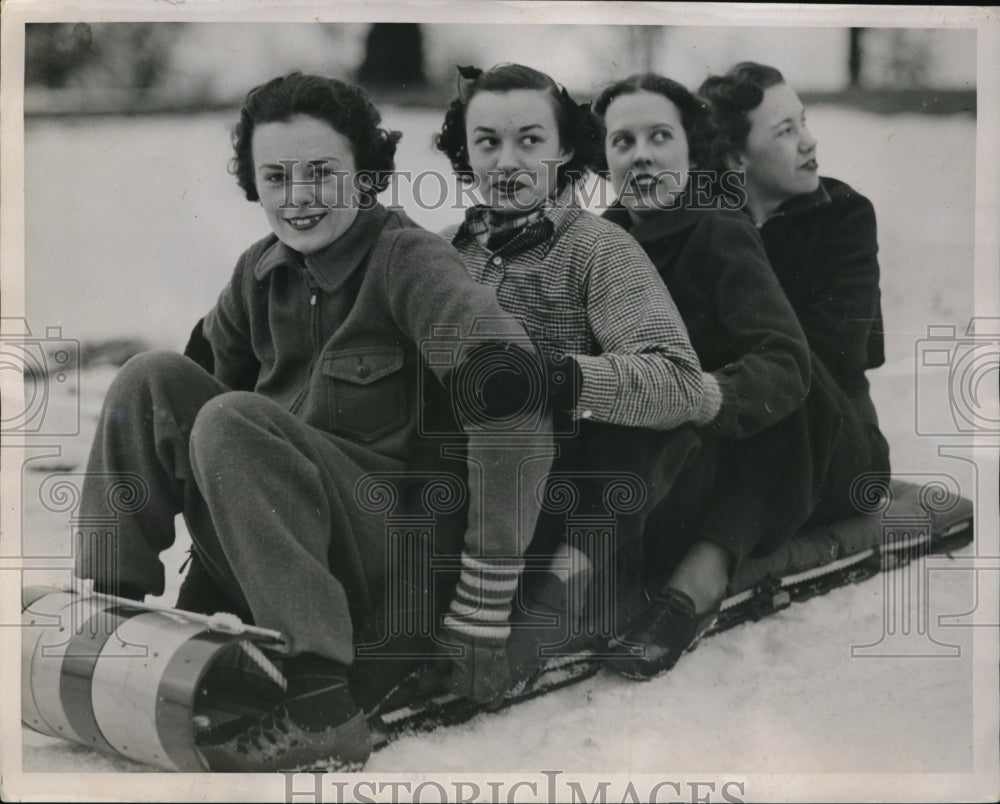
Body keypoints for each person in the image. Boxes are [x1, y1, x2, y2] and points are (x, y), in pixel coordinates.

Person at [73, 72, 556, 772]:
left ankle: (321, 697)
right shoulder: (260, 271)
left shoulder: (408, 260)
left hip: (384, 551)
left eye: (322, 173)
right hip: (284, 546)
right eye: (277, 177)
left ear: (365, 175)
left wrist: (486, 596)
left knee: (235, 419)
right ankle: (110, 615)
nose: (298, 199)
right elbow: (184, 413)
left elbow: (514, 397)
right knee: (148, 377)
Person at [433, 64, 705, 674]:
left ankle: (561, 593)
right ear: (465, 152)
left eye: (530, 141)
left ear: (565, 150)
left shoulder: (598, 249)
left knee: (628, 429)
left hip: (570, 497)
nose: (507, 162)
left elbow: (681, 383)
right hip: (468, 492)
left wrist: (557, 378)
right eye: (487, 143)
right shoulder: (444, 251)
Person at [594, 73, 835, 679]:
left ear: (691, 150)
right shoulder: (600, 239)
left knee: (769, 388)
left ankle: (697, 581)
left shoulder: (717, 228)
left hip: (792, 447)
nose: (641, 154)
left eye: (659, 136)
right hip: (676, 447)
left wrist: (702, 395)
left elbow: (783, 361)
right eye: (623, 142)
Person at [698, 62, 891, 522]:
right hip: (725, 425)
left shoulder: (844, 215)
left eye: (802, 121)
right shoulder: (697, 214)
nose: (809, 140)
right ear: (734, 157)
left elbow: (837, 348)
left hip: (832, 439)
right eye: (786, 130)